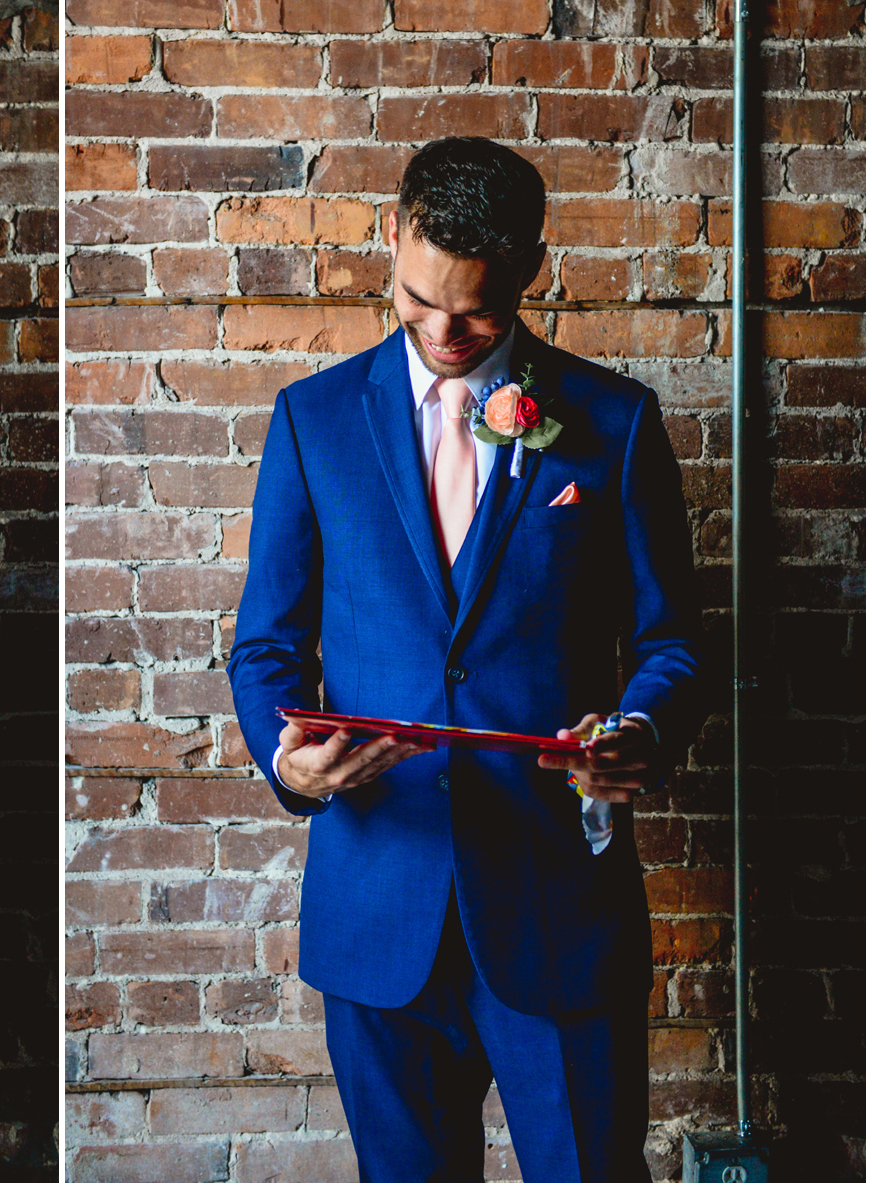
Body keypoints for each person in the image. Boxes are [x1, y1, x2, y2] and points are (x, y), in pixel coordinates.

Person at [227, 137, 700, 1181]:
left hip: (558, 910)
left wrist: (638, 732)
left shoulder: (614, 425)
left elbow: (672, 641)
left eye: (478, 312)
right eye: (418, 300)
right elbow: (265, 646)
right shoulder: (311, 422)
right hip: (379, 908)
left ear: (531, 269)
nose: (445, 334)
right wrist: (284, 762)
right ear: (389, 238)